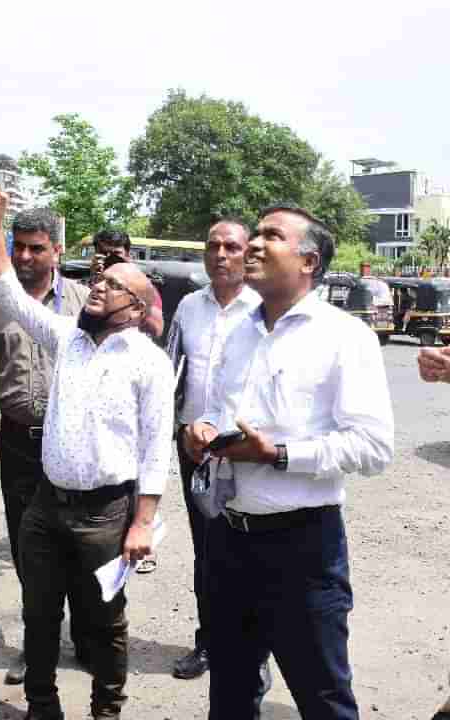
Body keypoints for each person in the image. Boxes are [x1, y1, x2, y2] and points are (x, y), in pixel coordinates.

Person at [0, 168, 174, 719]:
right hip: (44, 507)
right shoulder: (68, 339)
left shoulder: (148, 364)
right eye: (100, 279)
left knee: (104, 622)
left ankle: (106, 710)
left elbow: (157, 450)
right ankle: (43, 707)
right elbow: (5, 294)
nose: (100, 285)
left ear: (136, 308)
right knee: (38, 616)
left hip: (106, 516)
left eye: (114, 286)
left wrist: (141, 523)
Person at [183, 204, 394, 719]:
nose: (253, 244)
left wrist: (277, 455)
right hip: (229, 540)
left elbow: (373, 447)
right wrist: (203, 430)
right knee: (230, 694)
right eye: (254, 233)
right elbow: (217, 407)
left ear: (308, 261)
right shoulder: (239, 333)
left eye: (270, 236)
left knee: (323, 698)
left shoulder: (346, 337)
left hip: (303, 550)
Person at [0, 209, 89, 685]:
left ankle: (85, 638)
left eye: (37, 247)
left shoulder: (84, 303)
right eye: (18, 246)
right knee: (27, 550)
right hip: (17, 445)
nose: (24, 256)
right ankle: (39, 645)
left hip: (75, 446)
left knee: (80, 546)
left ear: (58, 251)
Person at [162, 218, 262, 682]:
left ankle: (253, 649)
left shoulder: (264, 309)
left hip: (246, 449)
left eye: (231, 247)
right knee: (208, 550)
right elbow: (170, 372)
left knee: (251, 548)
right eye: (213, 246)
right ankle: (209, 642)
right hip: (194, 450)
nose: (220, 255)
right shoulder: (188, 307)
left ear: (248, 253)